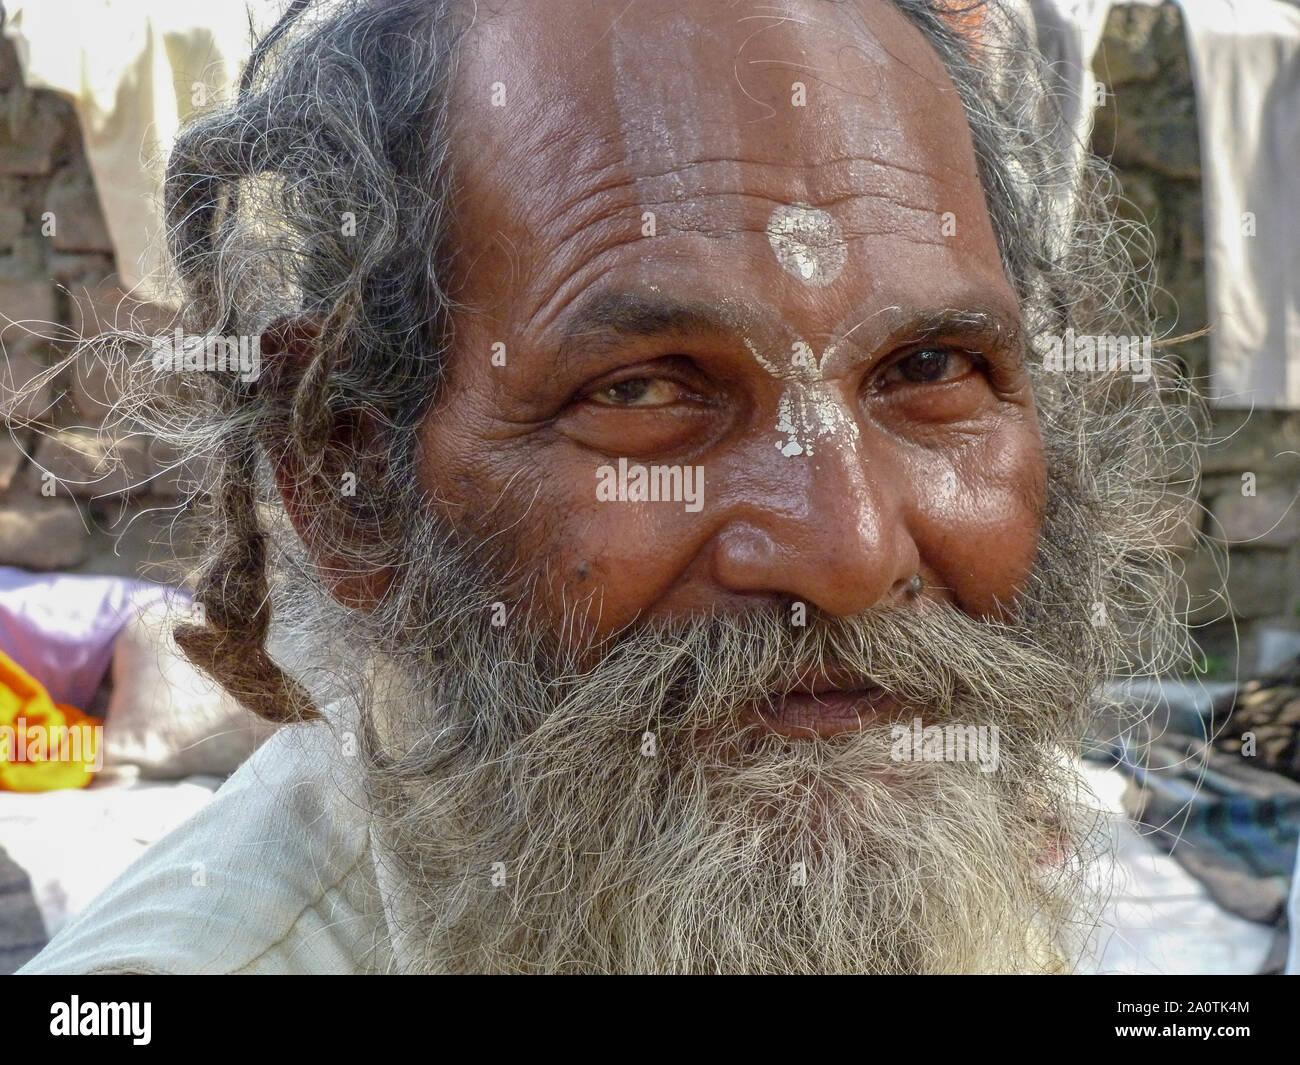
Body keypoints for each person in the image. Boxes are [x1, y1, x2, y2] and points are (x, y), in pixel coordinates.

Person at [21, 0, 1200, 974]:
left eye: (929, 369)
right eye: (643, 392)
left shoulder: (972, 860)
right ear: (348, 484)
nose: (844, 549)